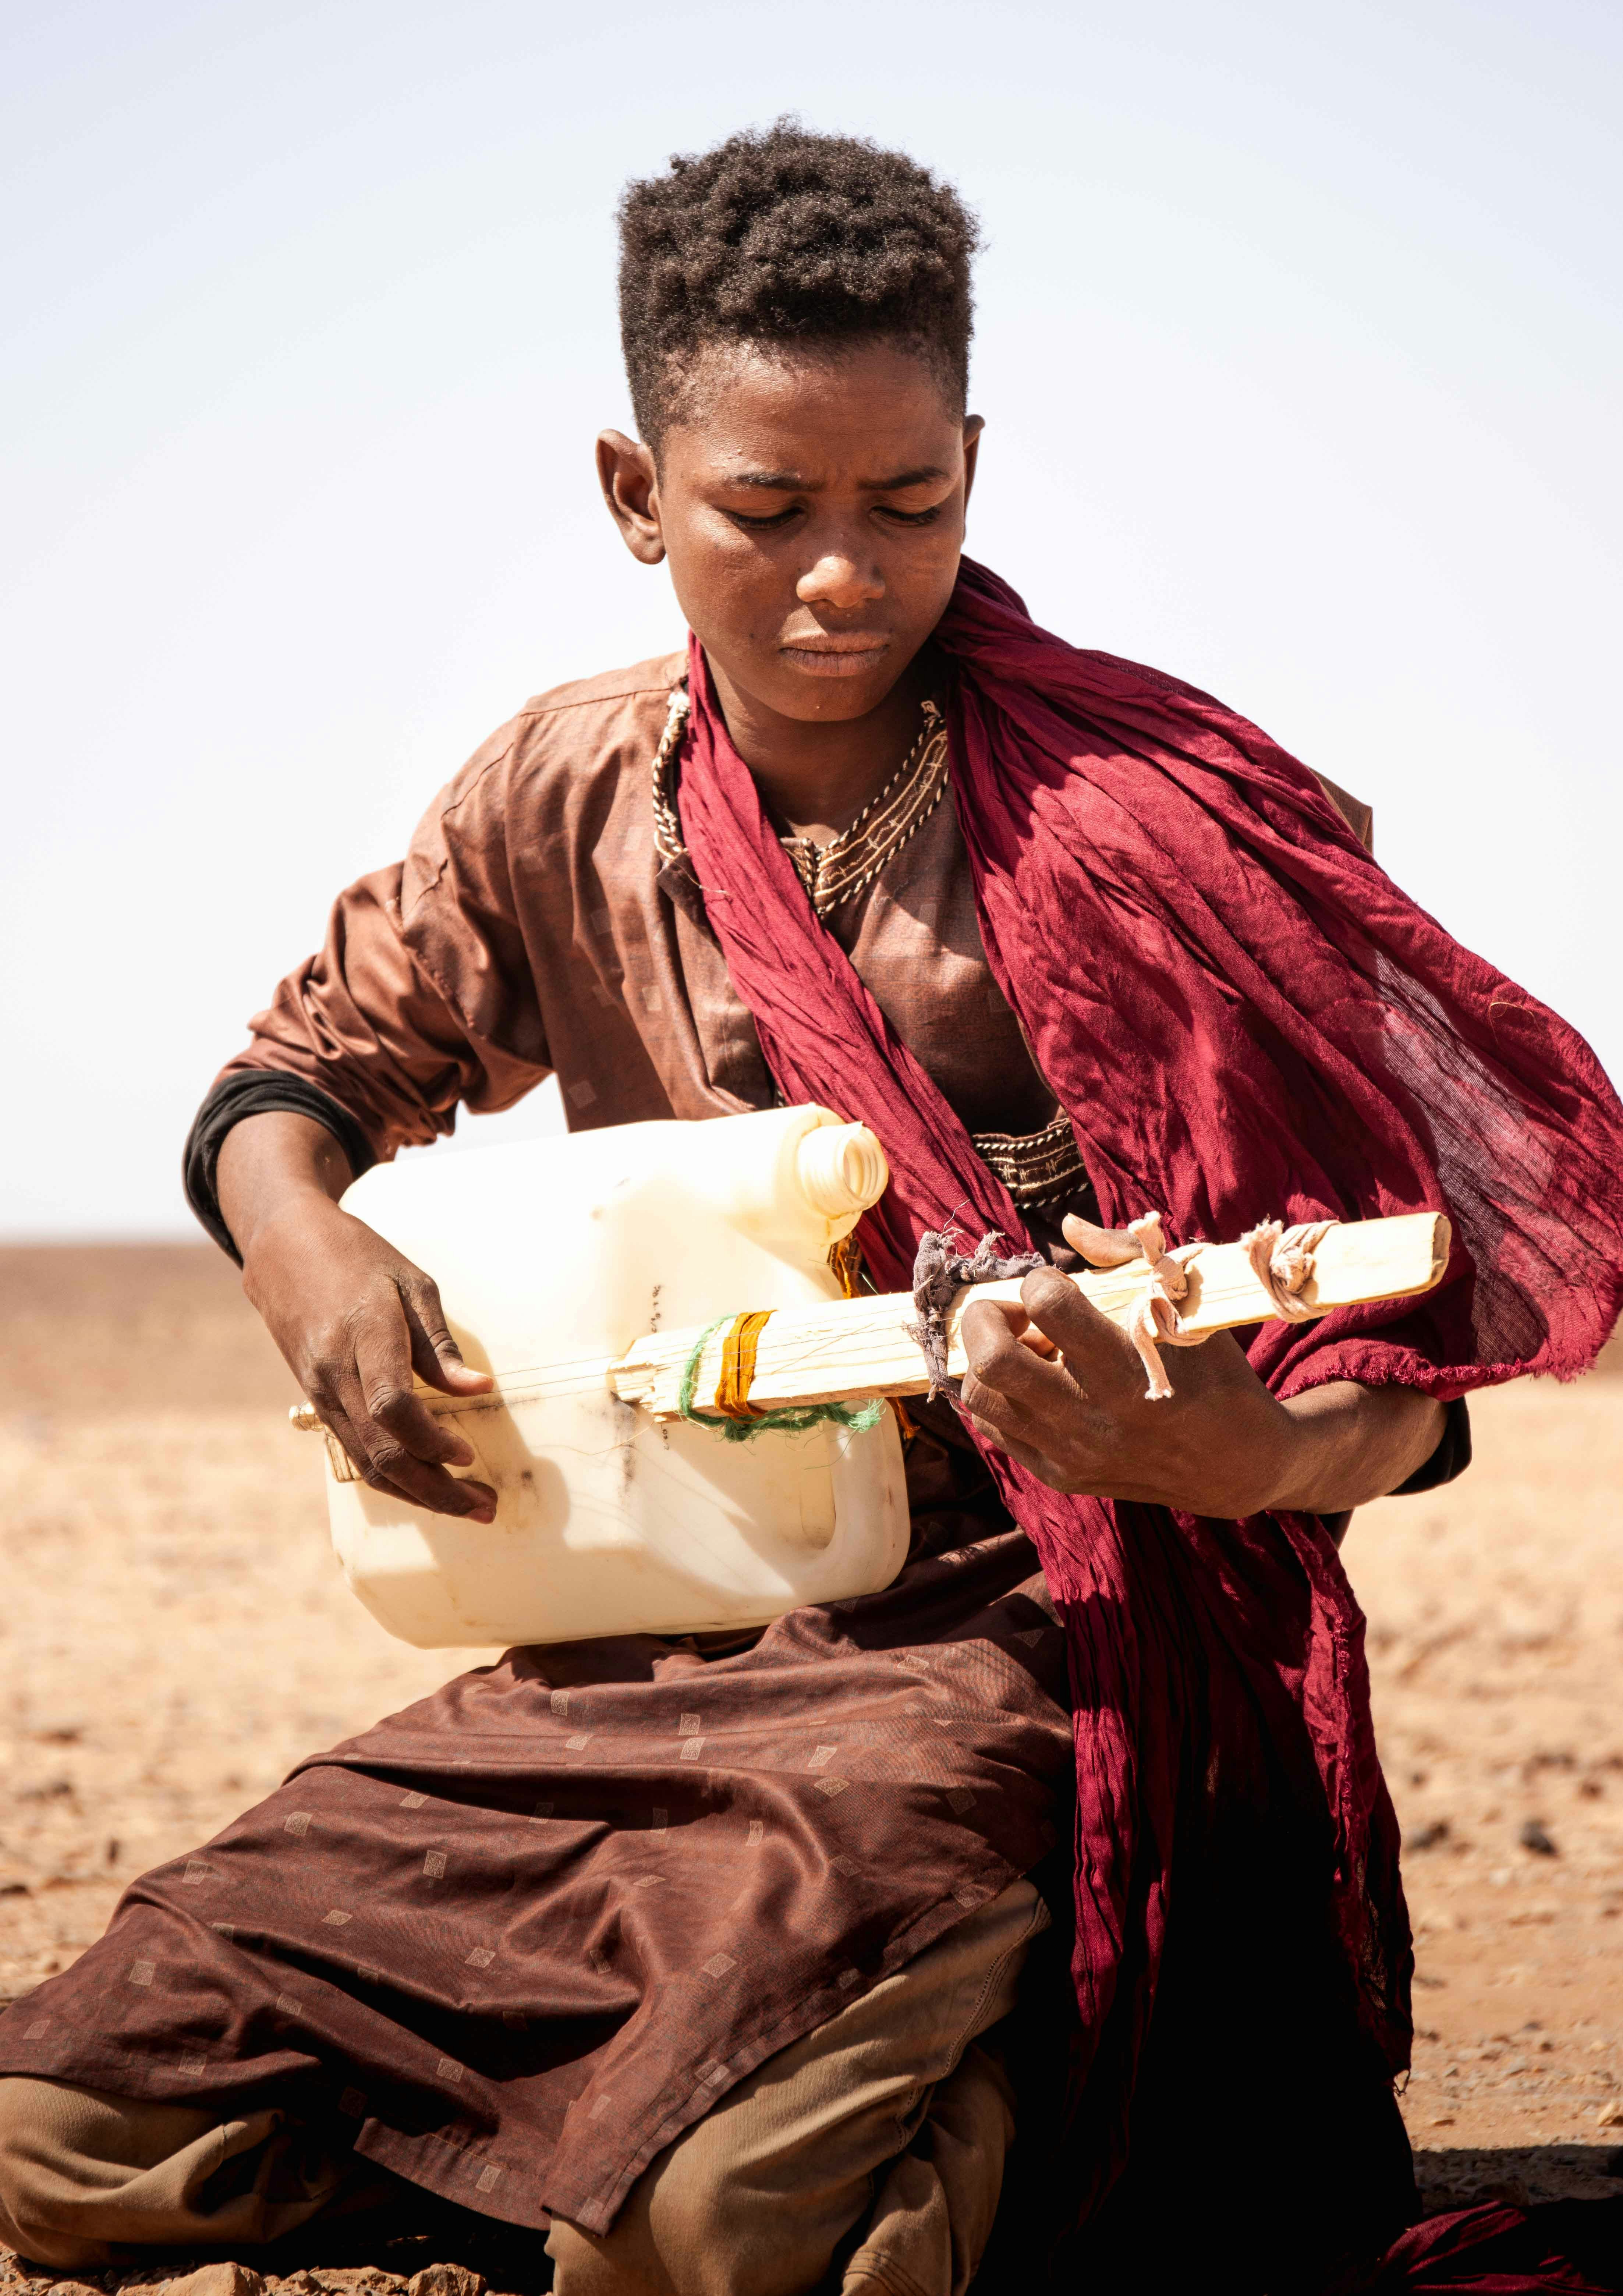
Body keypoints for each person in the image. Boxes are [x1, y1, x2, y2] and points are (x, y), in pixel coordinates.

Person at [1, 125, 1618, 2296]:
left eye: (909, 503)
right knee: (60, 2128)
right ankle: (706, 2125)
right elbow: (287, 1087)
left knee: (715, 2238)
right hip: (644, 1657)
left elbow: (1400, 1381)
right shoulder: (559, 793)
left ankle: (968, 2094)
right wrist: (305, 1240)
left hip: (1037, 1652)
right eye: (765, 512)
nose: (843, 573)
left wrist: (1224, 1450)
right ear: (634, 493)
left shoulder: (1155, 824)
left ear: (974, 460)